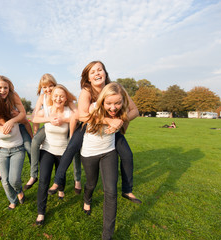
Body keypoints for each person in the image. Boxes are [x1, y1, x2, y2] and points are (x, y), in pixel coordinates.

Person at [48, 60, 142, 204]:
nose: (97, 73)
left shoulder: (115, 88)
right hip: (89, 126)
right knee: (72, 147)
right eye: (92, 72)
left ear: (105, 73)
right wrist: (109, 120)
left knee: (127, 154)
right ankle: (57, 181)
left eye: (100, 70)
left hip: (111, 129)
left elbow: (135, 111)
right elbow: (82, 115)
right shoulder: (87, 91)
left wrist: (120, 121)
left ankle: (127, 190)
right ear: (88, 78)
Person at [81, 82, 128, 240]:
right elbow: (85, 117)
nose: (113, 108)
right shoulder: (94, 107)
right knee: (91, 184)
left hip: (109, 152)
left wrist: (120, 122)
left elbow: (123, 129)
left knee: (111, 191)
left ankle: (107, 236)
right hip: (89, 153)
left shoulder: (121, 111)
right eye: (109, 103)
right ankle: (87, 199)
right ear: (102, 101)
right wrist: (109, 121)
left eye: (117, 103)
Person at [24, 74, 80, 193]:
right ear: (41, 88)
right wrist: (38, 130)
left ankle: (77, 179)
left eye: (50, 86)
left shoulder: (63, 97)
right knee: (34, 142)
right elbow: (34, 117)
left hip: (66, 125)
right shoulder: (42, 98)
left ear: (55, 85)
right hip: (49, 126)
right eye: (44, 87)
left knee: (73, 147)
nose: (48, 89)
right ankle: (33, 175)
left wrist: (63, 120)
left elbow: (77, 115)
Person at [32, 84, 76, 225]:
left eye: (61, 96)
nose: (58, 98)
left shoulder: (70, 112)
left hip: (63, 151)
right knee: (44, 180)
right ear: (52, 96)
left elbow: (80, 117)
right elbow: (34, 118)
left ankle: (61, 190)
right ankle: (41, 213)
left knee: (60, 176)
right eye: (56, 95)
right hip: (47, 150)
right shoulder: (47, 110)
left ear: (65, 98)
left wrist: (63, 120)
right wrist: (49, 119)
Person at [0, 75, 33, 181]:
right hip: (1, 129)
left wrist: (12, 120)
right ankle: (0, 167)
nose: (3, 90)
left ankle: (34, 174)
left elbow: (23, 114)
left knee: (29, 147)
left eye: (5, 87)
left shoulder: (13, 95)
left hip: (17, 125)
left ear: (9, 88)